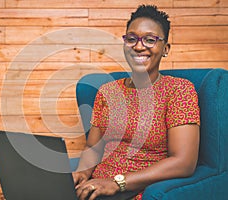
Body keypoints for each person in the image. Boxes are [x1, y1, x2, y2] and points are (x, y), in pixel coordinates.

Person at [72, 5, 200, 200]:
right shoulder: (108, 92)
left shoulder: (178, 90)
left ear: (165, 49)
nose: (139, 46)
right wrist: (82, 172)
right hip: (95, 189)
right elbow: (93, 148)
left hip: (135, 190)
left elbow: (183, 162)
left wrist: (117, 183)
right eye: (132, 39)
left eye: (150, 40)